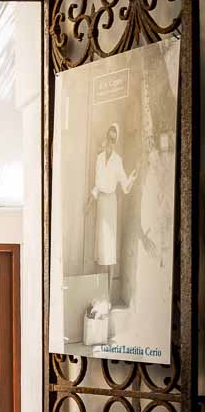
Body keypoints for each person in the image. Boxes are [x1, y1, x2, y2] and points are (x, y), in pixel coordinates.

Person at [86, 121, 136, 301]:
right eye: (109, 137)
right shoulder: (99, 158)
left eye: (114, 139)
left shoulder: (118, 160)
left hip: (111, 204)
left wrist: (130, 179)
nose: (111, 141)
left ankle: (107, 296)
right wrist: (91, 200)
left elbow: (124, 187)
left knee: (109, 250)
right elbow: (97, 184)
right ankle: (98, 295)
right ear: (106, 137)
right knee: (100, 250)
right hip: (101, 204)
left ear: (116, 141)